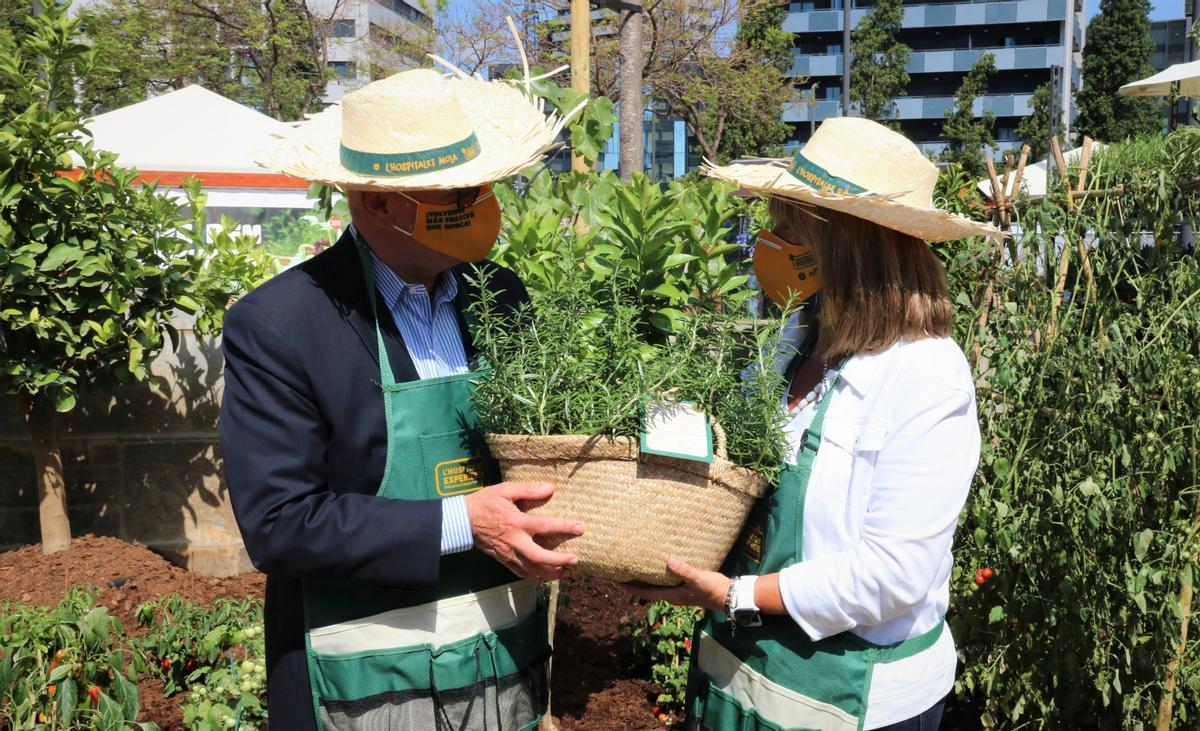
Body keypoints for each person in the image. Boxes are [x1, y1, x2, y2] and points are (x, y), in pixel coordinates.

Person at [220, 65, 584, 730]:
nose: (483, 205)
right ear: (378, 203)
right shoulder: (281, 326)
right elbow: (279, 524)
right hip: (359, 690)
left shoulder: (502, 299)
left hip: (499, 680)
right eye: (460, 191)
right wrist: (462, 522)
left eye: (483, 186)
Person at [627, 117, 1003, 731]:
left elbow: (891, 578)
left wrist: (735, 595)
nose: (765, 246)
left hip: (850, 699)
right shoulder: (796, 342)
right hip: (737, 675)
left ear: (849, 247)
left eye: (786, 231)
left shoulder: (926, 376)